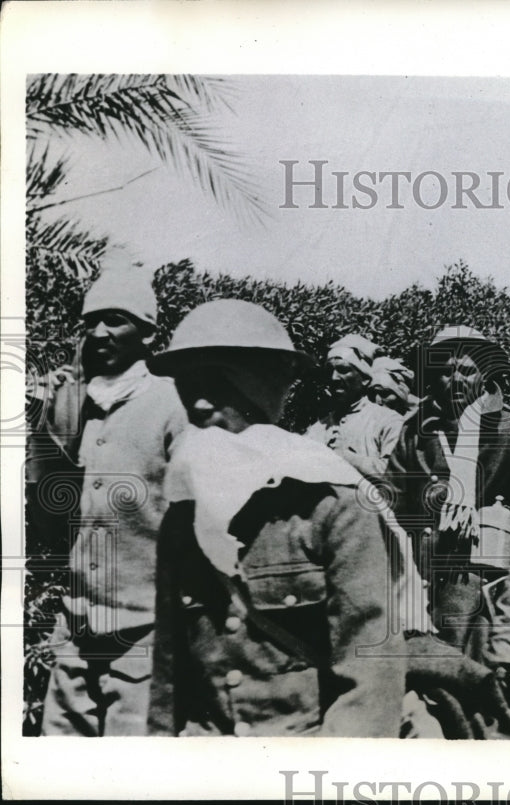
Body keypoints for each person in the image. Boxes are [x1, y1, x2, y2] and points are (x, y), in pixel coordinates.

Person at [145, 300, 406, 737]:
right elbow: (166, 683)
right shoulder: (183, 516)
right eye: (189, 387)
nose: (201, 403)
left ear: (262, 386)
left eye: (219, 382)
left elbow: (369, 684)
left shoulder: (330, 506)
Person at [35, 251, 188, 736]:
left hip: (147, 625)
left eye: (115, 321)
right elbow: (45, 504)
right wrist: (54, 412)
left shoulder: (173, 404)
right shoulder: (76, 402)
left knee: (133, 761)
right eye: (90, 323)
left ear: (147, 334)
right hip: (77, 623)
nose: (98, 334)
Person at [384, 326, 510, 682]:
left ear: (486, 375)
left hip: (488, 592)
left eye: (466, 370)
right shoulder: (416, 432)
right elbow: (391, 512)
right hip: (424, 589)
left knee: (481, 695)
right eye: (444, 370)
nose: (454, 380)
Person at [304, 333, 403, 479]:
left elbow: (397, 476)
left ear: (365, 379)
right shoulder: (317, 429)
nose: (334, 378)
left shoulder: (389, 422)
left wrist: (346, 456)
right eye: (329, 371)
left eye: (343, 370)